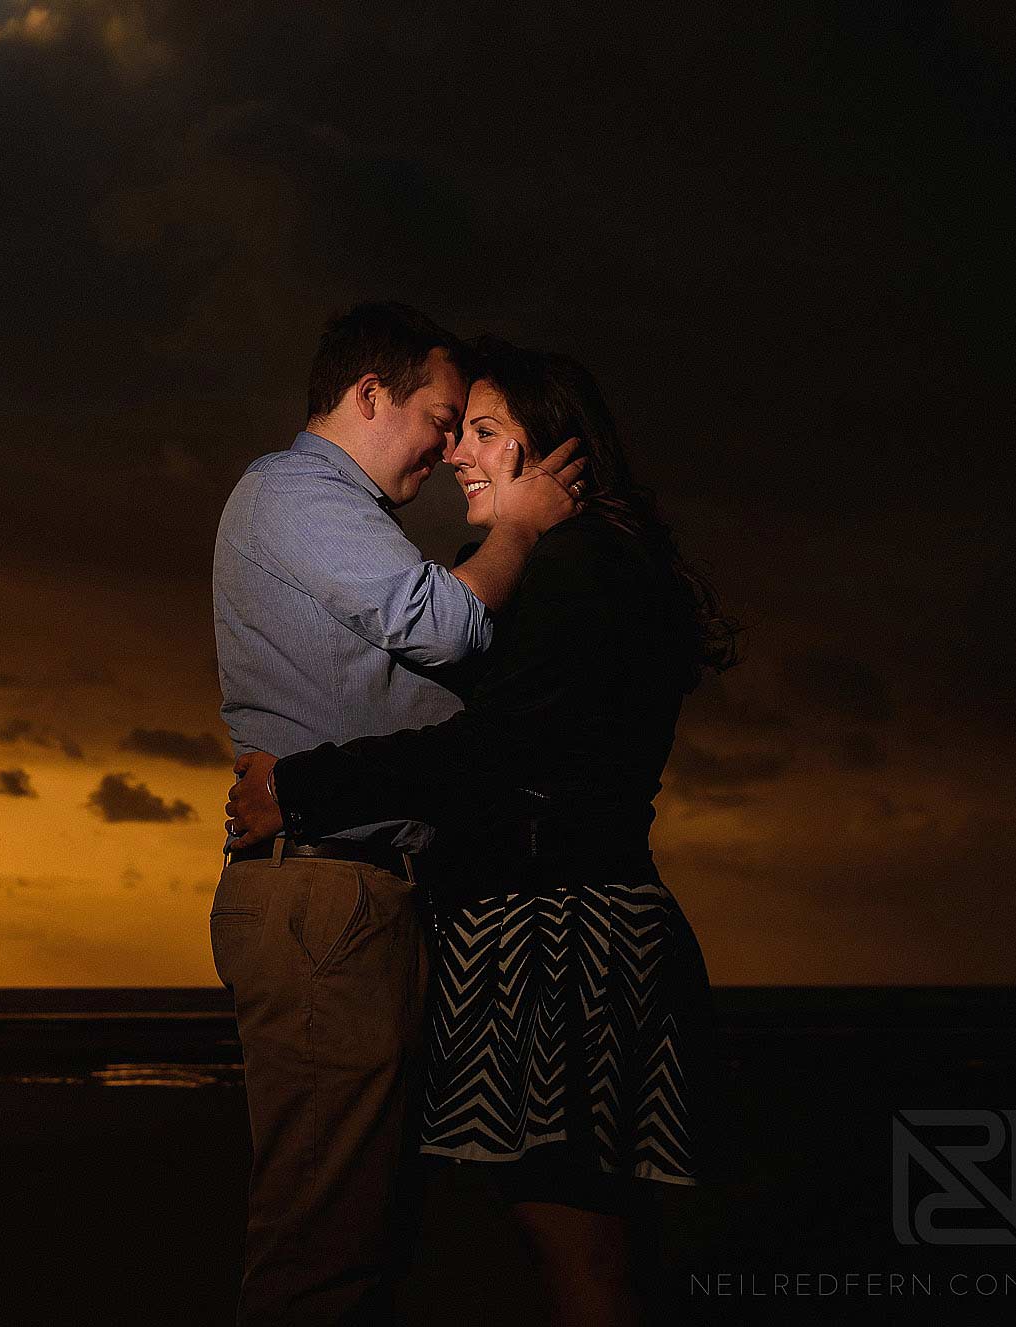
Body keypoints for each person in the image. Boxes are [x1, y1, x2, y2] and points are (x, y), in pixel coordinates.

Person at [225, 335, 738, 1327]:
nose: (458, 452)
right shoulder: (578, 568)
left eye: (487, 433)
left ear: (555, 456)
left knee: (580, 1253)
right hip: (569, 924)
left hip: (557, 937)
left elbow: (494, 749)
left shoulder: (579, 565)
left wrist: (301, 785)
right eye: (457, 429)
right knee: (597, 1247)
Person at [210, 304, 585, 1324]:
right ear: (370, 396)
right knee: (323, 1244)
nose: (447, 442)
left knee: (364, 1232)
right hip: (327, 890)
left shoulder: (333, 516)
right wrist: (517, 525)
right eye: (438, 413)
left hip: (350, 887)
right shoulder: (292, 489)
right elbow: (443, 628)